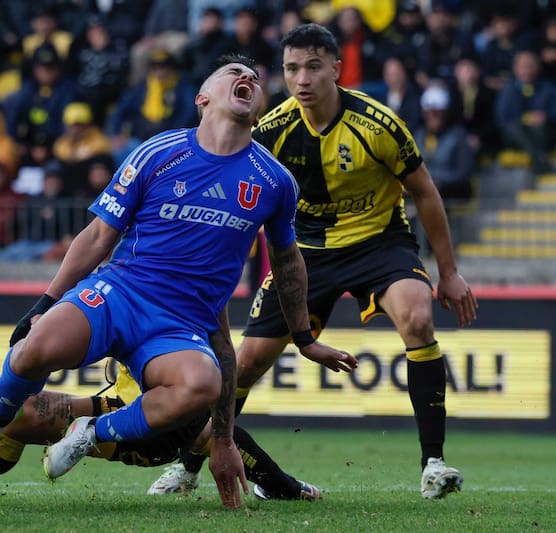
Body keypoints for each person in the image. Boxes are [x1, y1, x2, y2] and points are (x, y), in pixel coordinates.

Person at [0, 54, 356, 509]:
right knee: (32, 350)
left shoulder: (275, 181)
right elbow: (99, 235)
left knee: (204, 384)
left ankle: (91, 433)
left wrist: (302, 336)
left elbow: (288, 262)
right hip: (120, 294)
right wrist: (45, 301)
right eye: (232, 74)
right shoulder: (157, 152)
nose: (246, 77)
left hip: (179, 327)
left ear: (258, 108)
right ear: (203, 98)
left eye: (253, 78)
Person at [148, 23, 478, 501]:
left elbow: (424, 191)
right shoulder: (271, 130)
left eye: (313, 67)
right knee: (245, 363)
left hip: (379, 246)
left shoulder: (378, 123)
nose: (301, 79)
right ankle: (191, 466)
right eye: (290, 68)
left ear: (336, 69)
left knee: (418, 317)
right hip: (305, 254)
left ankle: (433, 463)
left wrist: (448, 272)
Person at [0, 360, 323, 504]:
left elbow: (220, 418)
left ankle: (278, 485)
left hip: (156, 426)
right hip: (115, 407)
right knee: (20, 414)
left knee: (195, 419)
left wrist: (288, 485)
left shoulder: (179, 300)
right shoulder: (120, 288)